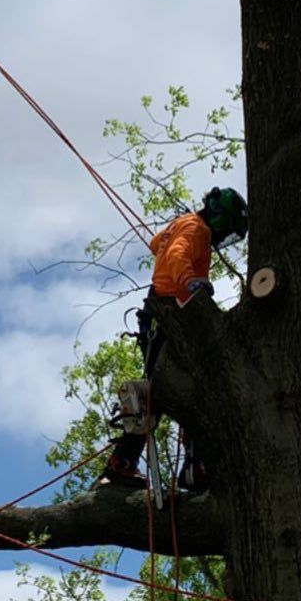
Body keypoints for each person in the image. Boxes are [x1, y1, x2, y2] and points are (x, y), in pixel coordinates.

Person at [99, 186, 248, 490]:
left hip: (162, 317)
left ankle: (132, 463)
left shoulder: (184, 223)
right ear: (221, 219)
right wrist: (190, 280)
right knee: (181, 390)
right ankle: (179, 465)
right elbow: (177, 254)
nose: (224, 237)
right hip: (165, 317)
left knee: (170, 391)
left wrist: (171, 249)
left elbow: (157, 244)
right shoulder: (198, 229)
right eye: (228, 229)